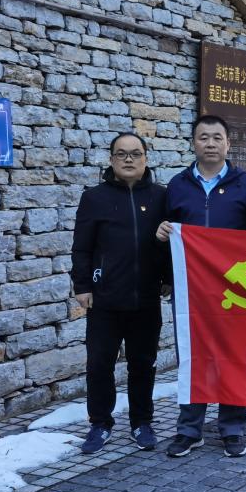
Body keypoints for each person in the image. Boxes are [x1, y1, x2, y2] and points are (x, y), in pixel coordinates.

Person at [156, 115, 246, 459]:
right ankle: (189, 429)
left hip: (235, 289)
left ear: (228, 143)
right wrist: (163, 236)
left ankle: (232, 428)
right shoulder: (178, 185)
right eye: (203, 137)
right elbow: (168, 233)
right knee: (192, 356)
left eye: (217, 137)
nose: (210, 143)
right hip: (191, 289)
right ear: (193, 143)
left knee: (233, 357)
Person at [71, 132, 169, 454]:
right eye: (122, 154)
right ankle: (100, 423)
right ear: (111, 159)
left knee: (143, 364)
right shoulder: (94, 198)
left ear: (146, 159)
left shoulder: (160, 197)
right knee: (100, 365)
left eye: (135, 153)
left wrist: (168, 278)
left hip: (146, 298)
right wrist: (82, 286)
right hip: (105, 299)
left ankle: (142, 422)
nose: (129, 159)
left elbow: (169, 244)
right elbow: (81, 247)